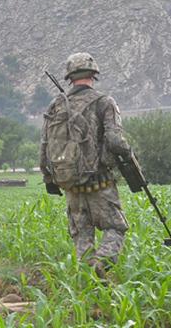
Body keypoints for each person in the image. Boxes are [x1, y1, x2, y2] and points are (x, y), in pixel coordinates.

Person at [40, 52, 136, 278]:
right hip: (99, 183)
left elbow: (44, 146)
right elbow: (115, 141)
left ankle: (90, 283)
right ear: (94, 74)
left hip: (71, 185)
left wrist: (48, 178)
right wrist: (130, 155)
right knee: (115, 228)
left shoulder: (55, 106)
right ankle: (102, 264)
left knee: (82, 235)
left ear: (70, 77)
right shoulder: (104, 102)